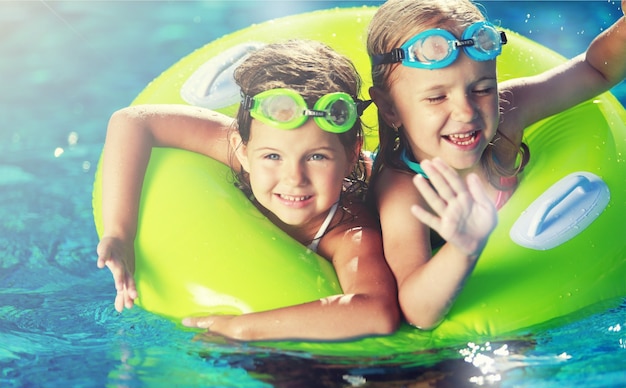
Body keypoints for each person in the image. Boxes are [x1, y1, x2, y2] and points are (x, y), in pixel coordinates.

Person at [96, 39, 400, 341]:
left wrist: (240, 328)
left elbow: (376, 312)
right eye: (273, 157)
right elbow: (132, 121)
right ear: (242, 150)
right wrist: (120, 234)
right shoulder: (245, 152)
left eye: (316, 157)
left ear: (350, 155)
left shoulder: (349, 231)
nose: (294, 178)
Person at [365, 0, 626, 329]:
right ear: (390, 110)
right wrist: (463, 247)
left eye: (482, 88)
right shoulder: (404, 190)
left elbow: (595, 70)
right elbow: (417, 310)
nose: (466, 111)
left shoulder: (507, 114)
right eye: (436, 97)